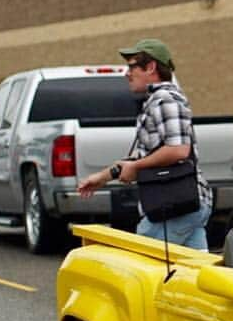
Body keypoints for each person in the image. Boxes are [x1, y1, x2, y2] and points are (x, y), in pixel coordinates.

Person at [77, 38, 212, 250]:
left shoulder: (165, 100)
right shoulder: (156, 101)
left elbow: (178, 150)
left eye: (132, 66)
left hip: (174, 207)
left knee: (139, 263)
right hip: (184, 205)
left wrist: (136, 167)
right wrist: (103, 177)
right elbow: (145, 155)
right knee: (192, 277)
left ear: (151, 67)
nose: (127, 73)